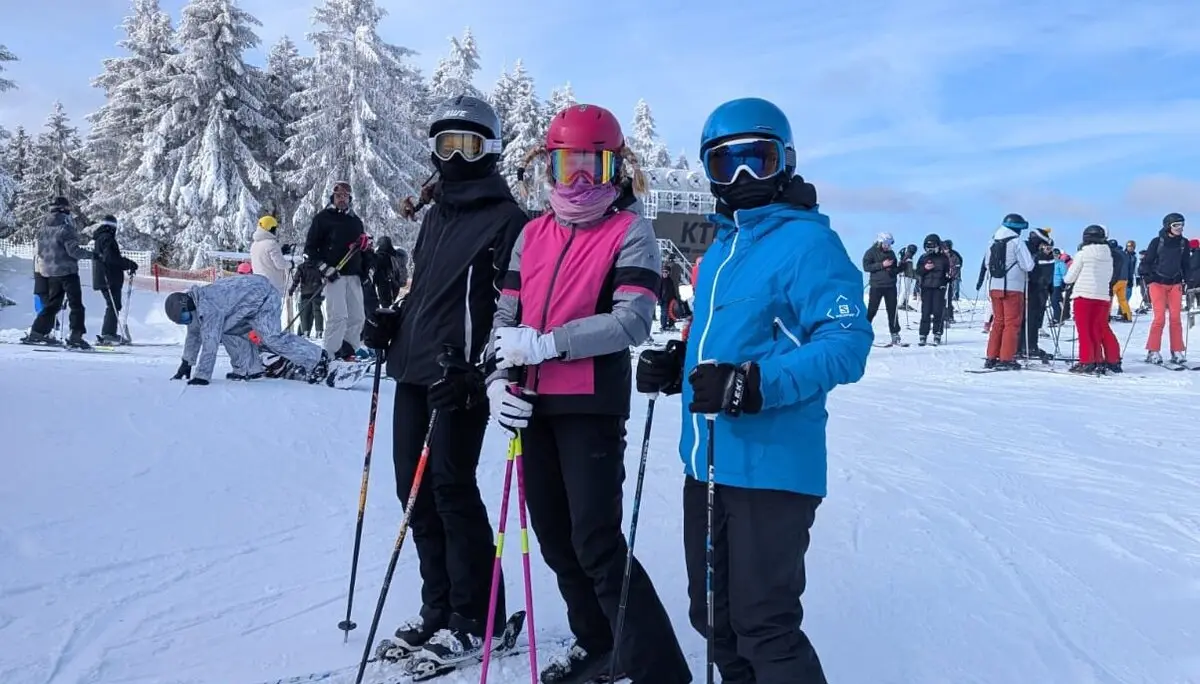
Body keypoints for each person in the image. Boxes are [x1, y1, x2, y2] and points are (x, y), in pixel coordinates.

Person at [637, 97, 872, 684]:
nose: (742, 177)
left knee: (764, 624)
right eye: (726, 164)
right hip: (708, 463)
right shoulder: (719, 251)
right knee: (713, 618)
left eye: (757, 160)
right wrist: (681, 361)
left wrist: (753, 386)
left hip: (773, 468)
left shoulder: (809, 244)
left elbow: (847, 343)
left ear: (785, 164)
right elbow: (739, 334)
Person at [481, 102, 690, 684]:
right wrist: (498, 379)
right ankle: (598, 643)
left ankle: (659, 670)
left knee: (595, 540)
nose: (578, 180)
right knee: (553, 539)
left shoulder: (631, 231)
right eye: (567, 165)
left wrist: (546, 345)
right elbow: (505, 314)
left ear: (615, 169)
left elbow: (633, 321)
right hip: (531, 403)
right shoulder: (532, 232)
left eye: (592, 167)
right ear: (547, 165)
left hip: (590, 405)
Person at [361, 95, 527, 666]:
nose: (455, 157)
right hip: (412, 369)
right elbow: (428, 291)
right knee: (413, 494)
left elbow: (511, 307)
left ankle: (477, 615)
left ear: (491, 150)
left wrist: (480, 370)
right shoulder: (435, 215)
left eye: (468, 145)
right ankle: (439, 607)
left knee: (452, 490)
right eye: (444, 145)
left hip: (459, 379)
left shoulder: (508, 220)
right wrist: (394, 320)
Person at [164, 273, 330, 384]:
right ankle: (248, 369)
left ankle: (316, 358)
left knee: (272, 338)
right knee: (229, 331)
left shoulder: (208, 307)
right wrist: (186, 363)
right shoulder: (196, 306)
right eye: (183, 321)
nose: (187, 322)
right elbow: (194, 335)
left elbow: (210, 344)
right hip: (244, 306)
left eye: (186, 317)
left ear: (188, 304)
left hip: (264, 297)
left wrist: (202, 376)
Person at [303, 181, 367, 361]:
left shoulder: (355, 221)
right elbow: (310, 249)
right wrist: (324, 268)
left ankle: (348, 352)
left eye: (345, 196)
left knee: (357, 317)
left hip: (353, 275)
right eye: (338, 195)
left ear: (350, 198)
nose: (342, 199)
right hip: (334, 276)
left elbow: (362, 248)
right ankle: (330, 355)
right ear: (333, 197)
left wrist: (366, 258)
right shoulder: (323, 218)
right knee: (338, 317)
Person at [22, 197, 95, 349]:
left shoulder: (43, 228)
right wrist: (92, 255)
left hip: (50, 272)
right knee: (76, 304)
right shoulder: (66, 227)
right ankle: (76, 334)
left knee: (53, 304)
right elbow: (73, 251)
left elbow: (40, 251)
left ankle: (38, 331)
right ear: (64, 209)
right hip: (67, 271)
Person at [980, 213, 1035, 370]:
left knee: (998, 322)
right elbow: (1028, 265)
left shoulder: (992, 241)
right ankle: (1006, 358)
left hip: (994, 286)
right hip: (1013, 288)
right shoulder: (1016, 242)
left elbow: (986, 263)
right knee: (1012, 324)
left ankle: (991, 357)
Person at [1065, 224, 1121, 374]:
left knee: (1084, 330)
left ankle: (1087, 361)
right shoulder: (1108, 255)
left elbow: (1069, 278)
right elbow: (1109, 276)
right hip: (1102, 296)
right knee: (1100, 329)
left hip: (1084, 295)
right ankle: (1110, 359)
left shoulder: (1083, 253)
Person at [1140, 212, 1189, 365]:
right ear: (1168, 226)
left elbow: (1186, 264)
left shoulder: (1184, 243)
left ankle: (1177, 351)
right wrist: (1147, 277)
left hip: (1175, 283)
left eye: (1182, 225)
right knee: (1159, 318)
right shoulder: (1157, 242)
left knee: (1176, 319)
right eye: (1176, 225)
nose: (1179, 228)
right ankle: (1153, 351)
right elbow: (1146, 262)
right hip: (1157, 283)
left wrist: (1188, 280)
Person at [89, 214, 139, 345]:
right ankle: (108, 333)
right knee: (113, 305)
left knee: (113, 305)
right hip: (108, 278)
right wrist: (128, 264)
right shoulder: (107, 239)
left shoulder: (101, 238)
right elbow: (111, 259)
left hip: (105, 277)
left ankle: (109, 332)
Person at [1018, 228, 1055, 360]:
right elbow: (1044, 273)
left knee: (1023, 318)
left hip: (1021, 287)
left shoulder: (1024, 247)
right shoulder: (1040, 253)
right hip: (1035, 290)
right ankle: (1030, 346)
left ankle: (1019, 346)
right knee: (1032, 318)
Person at [862, 232, 903, 345]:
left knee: (892, 311)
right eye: (886, 243)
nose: (888, 246)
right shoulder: (871, 252)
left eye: (890, 244)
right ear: (880, 242)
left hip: (890, 286)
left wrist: (900, 268)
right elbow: (866, 267)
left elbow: (894, 269)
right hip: (877, 286)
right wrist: (882, 265)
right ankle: (863, 332)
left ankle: (895, 334)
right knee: (872, 310)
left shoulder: (891, 253)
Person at [914, 233, 950, 346]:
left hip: (939, 288)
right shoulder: (923, 258)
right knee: (925, 312)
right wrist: (925, 268)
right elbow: (918, 272)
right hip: (926, 287)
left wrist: (948, 279)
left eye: (932, 246)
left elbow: (948, 272)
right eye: (928, 247)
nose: (930, 249)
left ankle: (937, 333)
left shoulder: (944, 258)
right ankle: (923, 334)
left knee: (938, 311)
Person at [250, 215, 290, 294]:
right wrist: (291, 264)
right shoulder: (272, 244)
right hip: (273, 285)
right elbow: (280, 265)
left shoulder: (254, 245)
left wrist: (281, 251)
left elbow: (265, 257)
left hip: (259, 285)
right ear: (270, 228)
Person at [289, 260, 325, 338]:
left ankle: (305, 332)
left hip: (305, 292)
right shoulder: (318, 265)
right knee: (317, 311)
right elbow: (324, 276)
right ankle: (319, 331)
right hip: (317, 291)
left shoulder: (301, 267)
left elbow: (296, 280)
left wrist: (291, 290)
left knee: (305, 313)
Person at [372, 235, 408, 308]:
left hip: (387, 287)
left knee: (386, 307)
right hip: (393, 286)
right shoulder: (394, 256)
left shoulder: (384, 258)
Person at [941, 238, 963, 323]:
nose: (945, 250)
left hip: (951, 279)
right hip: (942, 279)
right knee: (941, 299)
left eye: (946, 248)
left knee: (948, 299)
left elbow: (957, 267)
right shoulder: (941, 254)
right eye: (944, 248)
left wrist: (951, 276)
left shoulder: (954, 256)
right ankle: (941, 315)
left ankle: (949, 316)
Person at [658, 263, 680, 331]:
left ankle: (671, 324)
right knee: (664, 313)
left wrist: (675, 297)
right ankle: (663, 325)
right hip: (663, 300)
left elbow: (672, 290)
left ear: (669, 273)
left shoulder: (670, 280)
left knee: (672, 313)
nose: (664, 273)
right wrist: (659, 299)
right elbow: (658, 291)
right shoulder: (661, 281)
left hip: (671, 300)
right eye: (663, 272)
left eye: (666, 272)